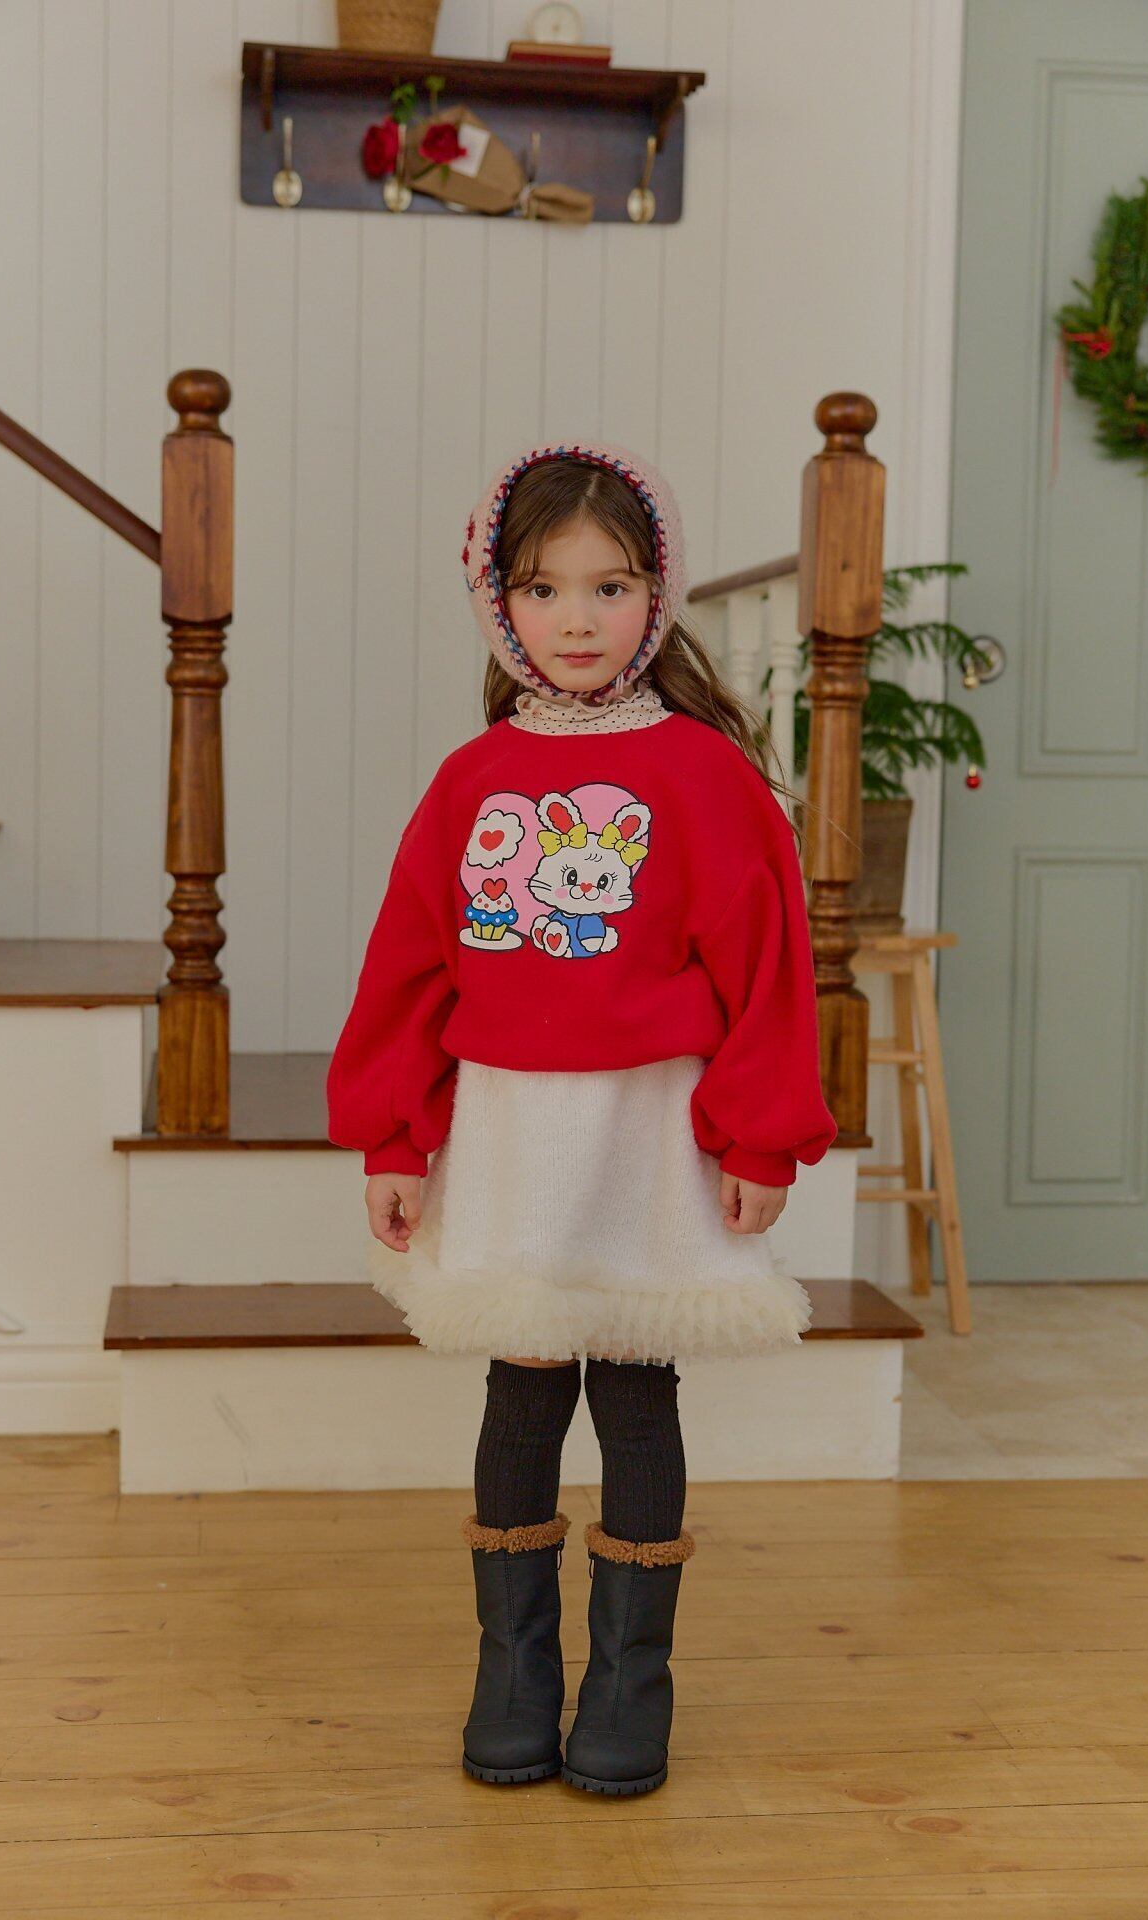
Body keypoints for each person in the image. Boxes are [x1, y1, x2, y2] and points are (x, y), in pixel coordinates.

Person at [325, 440, 838, 1797]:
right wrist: (394, 1137)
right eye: (544, 589)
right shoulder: (469, 780)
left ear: (656, 598)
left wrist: (760, 1135)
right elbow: (410, 969)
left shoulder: (706, 776)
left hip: (649, 1133)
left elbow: (767, 966)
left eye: (610, 588)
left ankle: (627, 1685)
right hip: (509, 1133)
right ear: (500, 605)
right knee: (522, 1387)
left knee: (635, 1390)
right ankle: (512, 1672)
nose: (576, 619)